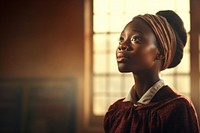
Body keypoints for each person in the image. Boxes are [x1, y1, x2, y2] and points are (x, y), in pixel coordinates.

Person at [104, 10, 200, 133]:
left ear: (160, 52)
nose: (122, 46)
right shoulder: (115, 111)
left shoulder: (177, 108)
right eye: (121, 39)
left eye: (136, 39)